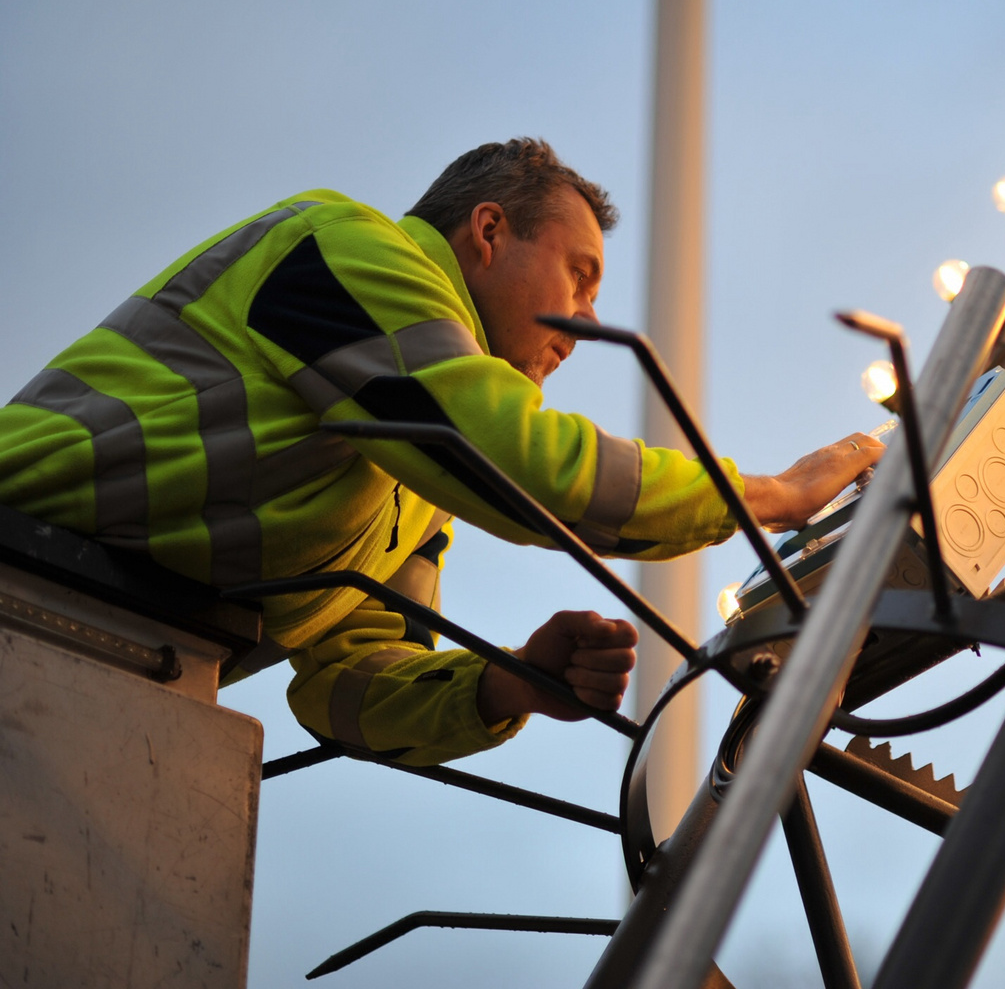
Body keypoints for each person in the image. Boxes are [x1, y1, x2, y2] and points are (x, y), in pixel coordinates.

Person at [0, 137, 883, 765]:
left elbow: (345, 687)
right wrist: (777, 494)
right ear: (488, 231)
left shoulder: (412, 480)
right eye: (578, 273)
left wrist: (507, 687)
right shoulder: (342, 246)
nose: (584, 322)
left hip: (107, 680)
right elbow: (526, 463)